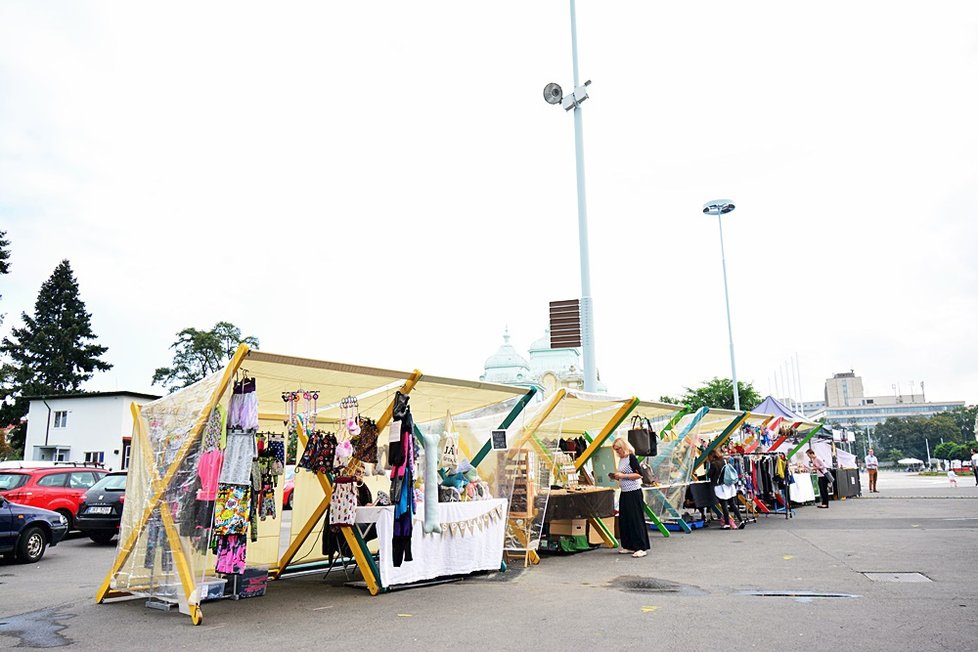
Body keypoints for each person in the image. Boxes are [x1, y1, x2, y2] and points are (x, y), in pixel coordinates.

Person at [610, 437, 650, 558]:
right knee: (625, 519)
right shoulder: (621, 460)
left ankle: (641, 546)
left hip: (634, 492)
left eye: (618, 449)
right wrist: (618, 477)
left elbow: (638, 475)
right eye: (616, 450)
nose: (617, 452)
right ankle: (628, 544)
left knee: (635, 519)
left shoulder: (631, 457)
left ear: (623, 447)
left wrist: (623, 475)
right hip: (625, 491)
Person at [707, 450, 745, 529]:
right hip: (729, 485)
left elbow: (710, 475)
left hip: (721, 487)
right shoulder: (724, 460)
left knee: (724, 506)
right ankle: (741, 521)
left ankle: (727, 524)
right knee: (732, 504)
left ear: (711, 456)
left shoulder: (713, 464)